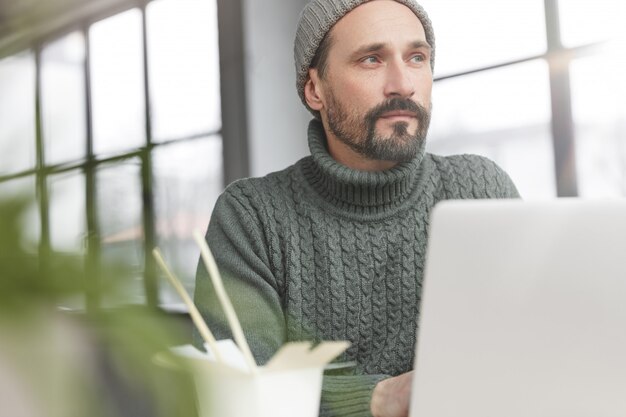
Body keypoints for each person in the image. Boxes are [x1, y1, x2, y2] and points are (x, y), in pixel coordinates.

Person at [193, 0, 520, 416]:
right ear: (316, 89)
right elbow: (240, 392)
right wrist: (379, 398)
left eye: (416, 57)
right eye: (371, 59)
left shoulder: (481, 189)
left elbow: (528, 349)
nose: (403, 83)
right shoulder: (251, 218)